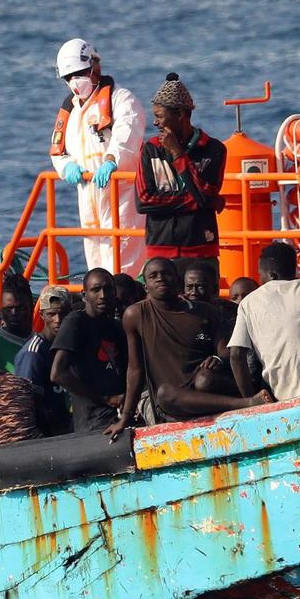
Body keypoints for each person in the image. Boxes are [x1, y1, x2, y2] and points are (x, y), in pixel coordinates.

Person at [115, 257, 269, 433]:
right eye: (153, 276)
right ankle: (246, 404)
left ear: (178, 281)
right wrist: (125, 417)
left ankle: (247, 402)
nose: (160, 278)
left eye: (166, 274)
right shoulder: (135, 315)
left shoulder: (205, 311)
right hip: (174, 401)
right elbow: (135, 369)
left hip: (205, 388)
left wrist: (217, 358)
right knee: (164, 394)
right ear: (145, 287)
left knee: (204, 380)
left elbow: (225, 352)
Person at [50, 38, 145, 273]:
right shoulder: (70, 111)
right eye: (69, 77)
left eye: (80, 73)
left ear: (95, 66)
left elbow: (127, 135)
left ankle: (126, 298)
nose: (75, 81)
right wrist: (66, 167)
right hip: (87, 192)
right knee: (94, 253)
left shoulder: (121, 100)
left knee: (123, 253)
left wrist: (112, 160)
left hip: (120, 192)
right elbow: (57, 149)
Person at [135, 74, 227, 274]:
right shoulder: (150, 150)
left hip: (202, 250)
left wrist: (178, 153)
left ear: (180, 114)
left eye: (160, 116)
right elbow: (144, 201)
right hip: (160, 251)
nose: (155, 122)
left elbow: (205, 195)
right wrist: (199, 201)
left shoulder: (214, 150)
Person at [228, 241, 300, 402]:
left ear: (272, 275)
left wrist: (250, 401)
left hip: (283, 396)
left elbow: (236, 355)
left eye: (260, 274)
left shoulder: (248, 303)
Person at [46, 268, 125, 432]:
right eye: (96, 290)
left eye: (108, 289)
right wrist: (106, 398)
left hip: (121, 413)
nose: (102, 295)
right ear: (84, 295)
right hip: (94, 421)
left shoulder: (117, 326)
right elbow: (57, 373)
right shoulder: (76, 322)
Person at [15, 285, 74, 434]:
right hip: (52, 433)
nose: (58, 320)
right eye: (51, 314)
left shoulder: (74, 344)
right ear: (42, 315)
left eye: (63, 314)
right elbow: (29, 403)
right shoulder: (33, 353)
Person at [0, 278, 35, 371]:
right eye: (8, 308)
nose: (14, 313)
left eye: (21, 308)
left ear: (31, 307)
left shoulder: (42, 343)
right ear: (1, 310)